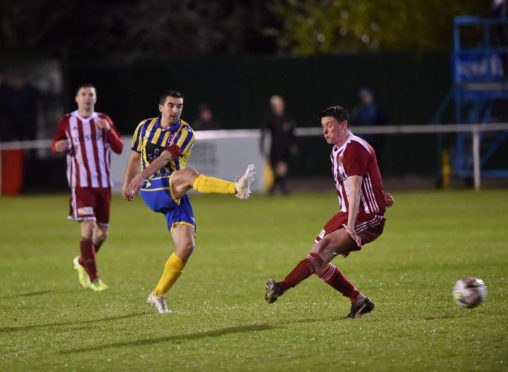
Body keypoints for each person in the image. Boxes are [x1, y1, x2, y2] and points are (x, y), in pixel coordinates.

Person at [122, 89, 255, 314]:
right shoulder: (144, 127)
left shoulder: (186, 133)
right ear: (161, 107)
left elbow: (166, 157)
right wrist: (130, 183)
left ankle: (158, 294)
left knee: (186, 246)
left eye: (179, 107)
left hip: (175, 190)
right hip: (152, 188)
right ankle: (235, 188)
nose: (175, 110)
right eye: (171, 105)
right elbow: (135, 157)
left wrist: (137, 177)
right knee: (190, 175)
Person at [265, 105, 394, 318]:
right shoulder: (337, 151)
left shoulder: (354, 147)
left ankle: (281, 287)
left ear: (344, 125)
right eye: (323, 126)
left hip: (366, 216)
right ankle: (358, 300)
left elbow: (355, 188)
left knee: (322, 249)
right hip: (347, 212)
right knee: (318, 261)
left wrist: (351, 226)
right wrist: (380, 194)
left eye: (330, 125)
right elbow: (362, 182)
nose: (325, 131)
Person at [51, 83, 123, 291]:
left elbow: (118, 147)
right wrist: (58, 146)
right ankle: (93, 278)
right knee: (89, 227)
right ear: (77, 99)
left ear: (95, 98)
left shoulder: (103, 120)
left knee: (103, 234)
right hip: (81, 184)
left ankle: (83, 261)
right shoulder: (68, 120)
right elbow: (55, 144)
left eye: (91, 94)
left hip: (103, 184)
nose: (87, 97)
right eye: (83, 94)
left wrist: (108, 130)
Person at [260, 95, 297, 195]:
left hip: (285, 148)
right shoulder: (270, 119)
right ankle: (283, 191)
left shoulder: (287, 118)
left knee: (280, 170)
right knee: (280, 170)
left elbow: (292, 133)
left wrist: (293, 145)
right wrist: (262, 147)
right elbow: (263, 133)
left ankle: (273, 190)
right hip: (275, 148)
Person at [350, 88, 387, 171]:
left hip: (375, 139)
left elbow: (382, 120)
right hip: (363, 139)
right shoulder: (358, 110)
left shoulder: (377, 109)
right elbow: (354, 122)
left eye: (368, 96)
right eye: (365, 97)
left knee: (376, 158)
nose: (367, 98)